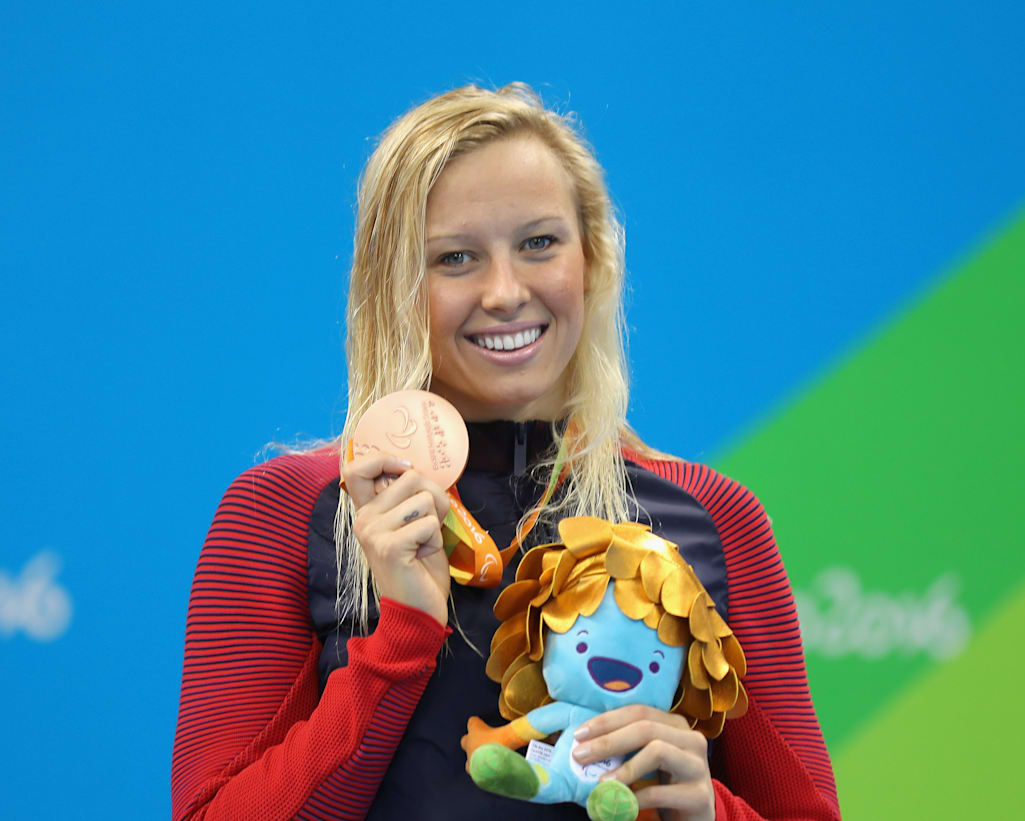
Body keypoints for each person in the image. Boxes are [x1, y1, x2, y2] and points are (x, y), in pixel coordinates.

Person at [171, 83, 841, 821]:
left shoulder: (711, 516)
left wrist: (709, 810)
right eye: (455, 257)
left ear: (592, 259)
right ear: (394, 286)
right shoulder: (287, 511)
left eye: (539, 243)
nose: (504, 292)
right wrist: (401, 638)